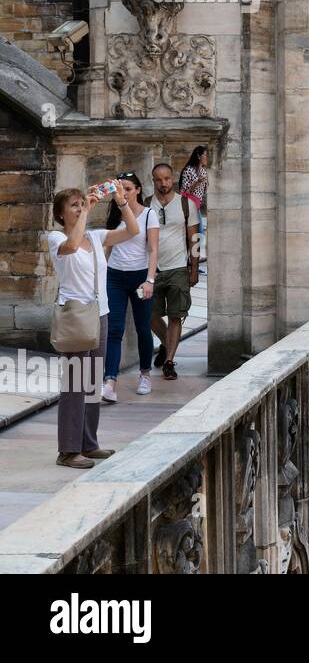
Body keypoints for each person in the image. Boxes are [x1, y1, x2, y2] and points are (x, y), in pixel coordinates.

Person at [48, 183, 140, 469]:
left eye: (81, 203)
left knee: (91, 384)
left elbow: (133, 231)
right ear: (61, 214)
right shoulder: (55, 238)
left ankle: (89, 443)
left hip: (100, 313)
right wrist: (87, 212)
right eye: (73, 205)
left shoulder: (97, 237)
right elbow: (72, 245)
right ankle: (68, 450)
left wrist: (121, 201)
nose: (80, 208)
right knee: (75, 384)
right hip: (76, 315)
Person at [102, 173, 159, 402]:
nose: (123, 192)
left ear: (137, 189)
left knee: (143, 328)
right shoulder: (116, 213)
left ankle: (145, 373)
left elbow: (154, 249)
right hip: (114, 276)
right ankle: (110, 382)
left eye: (127, 188)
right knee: (114, 329)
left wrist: (150, 280)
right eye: (120, 188)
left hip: (139, 276)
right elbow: (107, 245)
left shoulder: (148, 215)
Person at [148, 163, 200, 383]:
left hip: (178, 268)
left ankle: (169, 361)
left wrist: (194, 268)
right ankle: (166, 343)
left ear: (173, 179)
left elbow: (194, 239)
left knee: (176, 315)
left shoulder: (186, 204)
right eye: (159, 180)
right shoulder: (145, 205)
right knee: (149, 314)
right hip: (153, 270)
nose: (164, 183)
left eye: (167, 178)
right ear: (154, 181)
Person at [179, 146, 209, 264]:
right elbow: (184, 190)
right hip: (188, 205)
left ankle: (192, 262)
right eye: (205, 155)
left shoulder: (203, 171)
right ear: (198, 156)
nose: (207, 157)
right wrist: (197, 182)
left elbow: (203, 192)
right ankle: (192, 261)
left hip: (196, 205)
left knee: (197, 234)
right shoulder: (188, 170)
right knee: (197, 233)